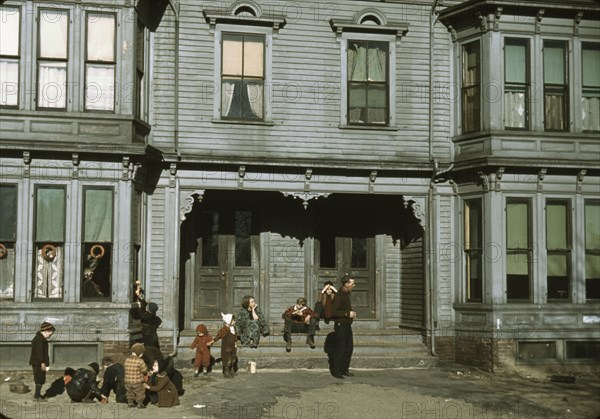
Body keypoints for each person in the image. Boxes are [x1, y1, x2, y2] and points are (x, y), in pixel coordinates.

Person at [330, 275, 357, 379]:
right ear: (346, 284)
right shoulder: (339, 295)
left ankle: (344, 369)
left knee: (348, 348)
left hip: (346, 325)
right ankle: (336, 372)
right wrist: (347, 314)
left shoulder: (346, 294)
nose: (354, 285)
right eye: (352, 284)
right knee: (340, 348)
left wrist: (352, 313)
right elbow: (334, 311)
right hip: (340, 325)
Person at [29, 321, 55, 402]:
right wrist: (42, 363)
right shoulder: (40, 340)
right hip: (39, 363)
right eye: (50, 334)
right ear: (46, 331)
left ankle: (38, 395)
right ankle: (37, 396)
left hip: (38, 363)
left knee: (40, 378)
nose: (50, 336)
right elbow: (40, 353)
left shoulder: (39, 338)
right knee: (39, 379)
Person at [213, 313, 238, 378]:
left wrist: (235, 343)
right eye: (233, 320)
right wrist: (213, 340)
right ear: (228, 321)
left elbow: (235, 337)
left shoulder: (233, 328)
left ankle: (231, 370)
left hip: (233, 346)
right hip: (226, 347)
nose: (234, 321)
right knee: (227, 359)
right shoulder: (224, 329)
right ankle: (226, 372)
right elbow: (219, 335)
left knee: (233, 358)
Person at [124, 343, 148, 409]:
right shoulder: (140, 361)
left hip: (128, 381)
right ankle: (140, 404)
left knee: (129, 392)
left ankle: (130, 403)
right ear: (139, 353)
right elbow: (144, 370)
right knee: (140, 392)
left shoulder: (127, 360)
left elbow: (125, 368)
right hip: (137, 381)